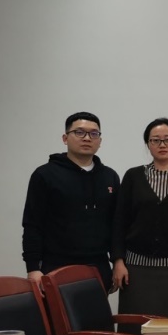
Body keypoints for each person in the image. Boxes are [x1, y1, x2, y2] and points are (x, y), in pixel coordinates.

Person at [111, 118, 168, 319]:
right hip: (134, 268)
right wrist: (118, 261)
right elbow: (119, 221)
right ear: (148, 144)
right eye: (155, 140)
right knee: (134, 326)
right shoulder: (133, 176)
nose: (162, 145)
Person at [22, 111, 119, 289]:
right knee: (58, 308)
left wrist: (116, 262)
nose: (87, 138)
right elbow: (32, 224)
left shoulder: (109, 176)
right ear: (65, 138)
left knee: (96, 309)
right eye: (79, 132)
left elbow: (115, 224)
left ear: (100, 141)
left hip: (98, 265)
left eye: (94, 133)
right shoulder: (45, 174)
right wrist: (33, 268)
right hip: (56, 265)